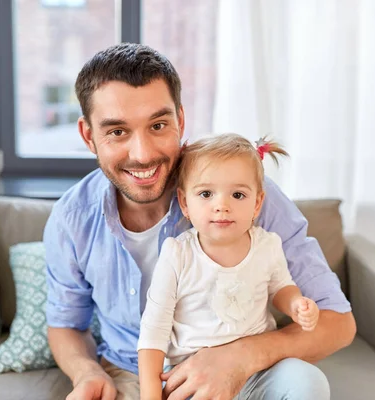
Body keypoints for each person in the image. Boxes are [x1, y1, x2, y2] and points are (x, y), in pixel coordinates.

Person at [44, 43, 356, 400]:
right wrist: (86, 373)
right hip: (133, 372)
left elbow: (338, 324)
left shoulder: (242, 194)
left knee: (305, 383)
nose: (143, 154)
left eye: (158, 125)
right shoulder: (71, 220)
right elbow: (66, 324)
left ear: (181, 120)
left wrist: (240, 357)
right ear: (88, 136)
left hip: (249, 370)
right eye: (117, 132)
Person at [137, 134, 323, 400]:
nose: (222, 206)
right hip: (192, 373)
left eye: (237, 194)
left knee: (309, 381)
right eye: (206, 194)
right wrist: (151, 395)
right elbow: (154, 330)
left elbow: (281, 287)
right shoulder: (177, 254)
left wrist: (295, 304)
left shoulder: (267, 245)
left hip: (259, 371)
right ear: (185, 203)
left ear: (257, 203)